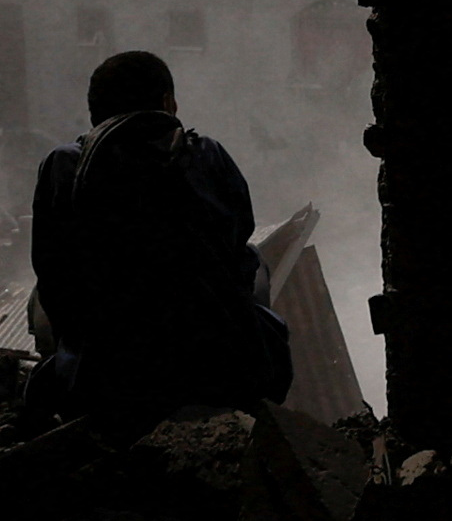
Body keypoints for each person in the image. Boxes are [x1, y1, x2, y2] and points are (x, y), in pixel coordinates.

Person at [26, 48, 289, 425]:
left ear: (94, 112)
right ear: (168, 102)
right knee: (253, 259)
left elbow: (52, 273)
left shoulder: (64, 164)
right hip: (218, 369)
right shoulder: (208, 153)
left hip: (107, 380)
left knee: (41, 293)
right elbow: (237, 238)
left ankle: (69, 392)